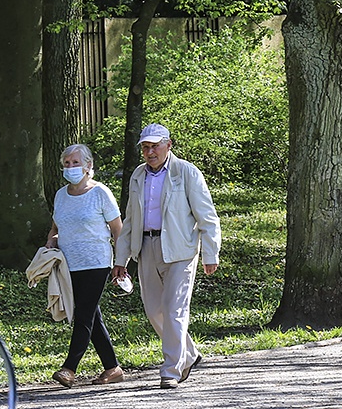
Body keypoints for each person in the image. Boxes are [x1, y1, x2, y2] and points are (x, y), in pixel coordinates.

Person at [112, 123, 221, 389]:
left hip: (180, 249)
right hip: (146, 247)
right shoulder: (138, 176)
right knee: (154, 312)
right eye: (145, 147)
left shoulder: (185, 172)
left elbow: (207, 216)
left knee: (174, 310)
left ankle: (172, 369)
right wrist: (120, 259)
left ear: (168, 145)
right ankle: (190, 355)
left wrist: (210, 252)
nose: (150, 152)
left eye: (155, 146)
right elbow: (130, 220)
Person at [45, 143, 124, 388]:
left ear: (88, 165)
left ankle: (69, 369)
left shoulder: (100, 193)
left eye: (76, 163)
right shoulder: (60, 195)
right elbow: (57, 228)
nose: (71, 168)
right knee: (91, 315)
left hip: (97, 262)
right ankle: (113, 368)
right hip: (69, 264)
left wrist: (120, 263)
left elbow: (118, 229)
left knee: (83, 314)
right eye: (67, 163)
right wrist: (50, 243)